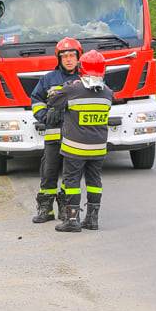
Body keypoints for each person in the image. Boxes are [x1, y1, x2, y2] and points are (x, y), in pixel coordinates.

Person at [47, 50, 113, 233]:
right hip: (98, 149)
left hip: (75, 148)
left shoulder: (73, 89)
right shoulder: (107, 92)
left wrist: (64, 87)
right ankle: (92, 219)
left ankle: (72, 220)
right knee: (94, 182)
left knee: (72, 182)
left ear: (81, 68)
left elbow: (52, 101)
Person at [30, 37, 82, 223]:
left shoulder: (84, 79)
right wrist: (44, 115)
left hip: (76, 137)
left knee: (71, 174)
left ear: (78, 57)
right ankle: (46, 210)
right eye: (64, 56)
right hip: (53, 135)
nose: (68, 59)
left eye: (72, 55)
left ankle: (66, 209)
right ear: (59, 58)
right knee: (49, 171)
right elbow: (36, 99)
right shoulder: (48, 79)